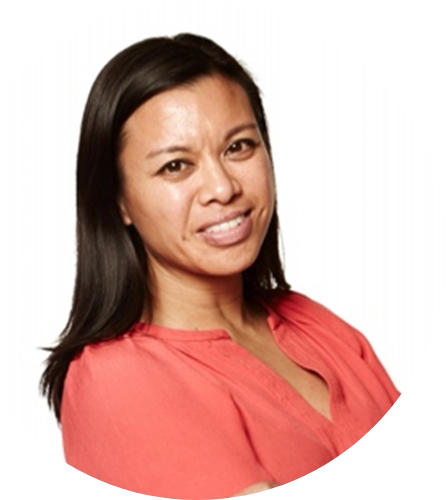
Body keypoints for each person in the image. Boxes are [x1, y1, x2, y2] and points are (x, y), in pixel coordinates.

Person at [40, 33, 401, 499]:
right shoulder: (115, 379)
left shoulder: (318, 326)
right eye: (176, 166)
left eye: (238, 147)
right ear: (118, 201)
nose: (223, 187)